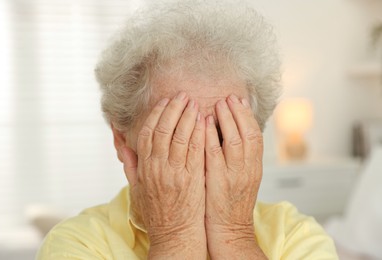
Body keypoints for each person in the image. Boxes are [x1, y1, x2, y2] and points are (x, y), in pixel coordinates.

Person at [37, 0, 338, 259]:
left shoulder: (299, 236)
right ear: (121, 139)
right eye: (177, 133)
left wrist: (236, 237)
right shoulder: (74, 244)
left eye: (224, 133)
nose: (202, 155)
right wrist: (175, 237)